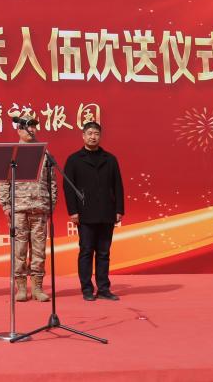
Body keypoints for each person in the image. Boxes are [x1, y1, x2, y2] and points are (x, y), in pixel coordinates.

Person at [0, 118, 57, 302]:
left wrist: (51, 204)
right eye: (26, 127)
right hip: (19, 209)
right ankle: (21, 287)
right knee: (19, 250)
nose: (30, 129)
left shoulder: (45, 153)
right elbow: (3, 182)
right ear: (18, 130)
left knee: (39, 251)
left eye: (33, 126)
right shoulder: (13, 153)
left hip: (40, 208)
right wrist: (6, 205)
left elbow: (52, 182)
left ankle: (37, 287)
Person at [63, 121, 123, 302]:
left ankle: (104, 288)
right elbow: (68, 188)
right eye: (89, 133)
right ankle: (87, 289)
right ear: (83, 136)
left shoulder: (110, 159)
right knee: (86, 251)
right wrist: (73, 211)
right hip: (85, 213)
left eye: (96, 133)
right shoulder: (74, 160)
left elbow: (118, 186)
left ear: (100, 136)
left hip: (106, 212)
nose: (93, 137)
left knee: (104, 253)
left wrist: (119, 209)